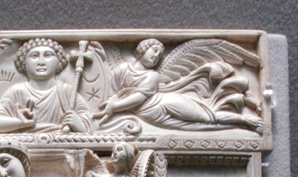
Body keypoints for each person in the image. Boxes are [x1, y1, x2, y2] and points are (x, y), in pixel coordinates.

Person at [95, 38, 262, 132]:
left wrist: (115, 107)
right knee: (200, 125)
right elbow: (113, 91)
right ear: (142, 49)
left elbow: (139, 97)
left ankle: (245, 120)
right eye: (154, 51)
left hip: (162, 103)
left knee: (207, 117)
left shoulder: (152, 76)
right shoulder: (121, 69)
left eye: (160, 56)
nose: (156, 57)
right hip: (150, 114)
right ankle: (240, 120)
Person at [0, 38, 93, 133]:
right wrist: (22, 123)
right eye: (34, 56)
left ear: (59, 61)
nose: (41, 62)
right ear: (23, 62)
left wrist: (78, 124)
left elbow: (88, 126)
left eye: (48, 55)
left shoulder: (67, 91)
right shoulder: (17, 91)